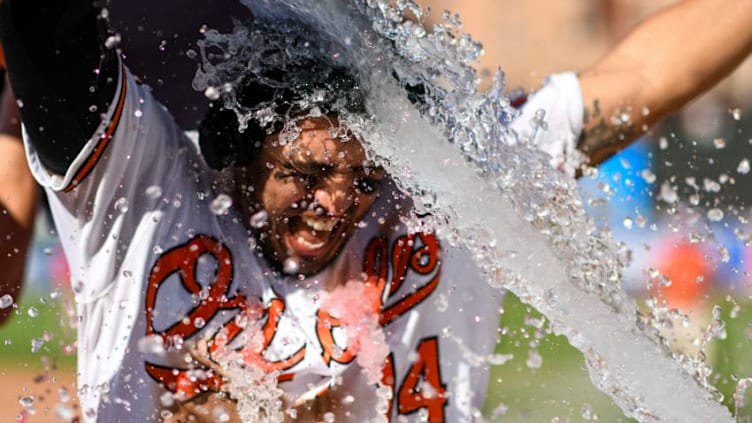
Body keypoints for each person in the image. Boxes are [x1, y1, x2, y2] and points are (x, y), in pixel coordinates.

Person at [1, 1, 751, 422]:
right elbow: (51, 38)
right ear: (243, 145)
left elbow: (647, 72)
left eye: (362, 176)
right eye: (306, 173)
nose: (336, 204)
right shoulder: (144, 192)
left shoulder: (443, 186)